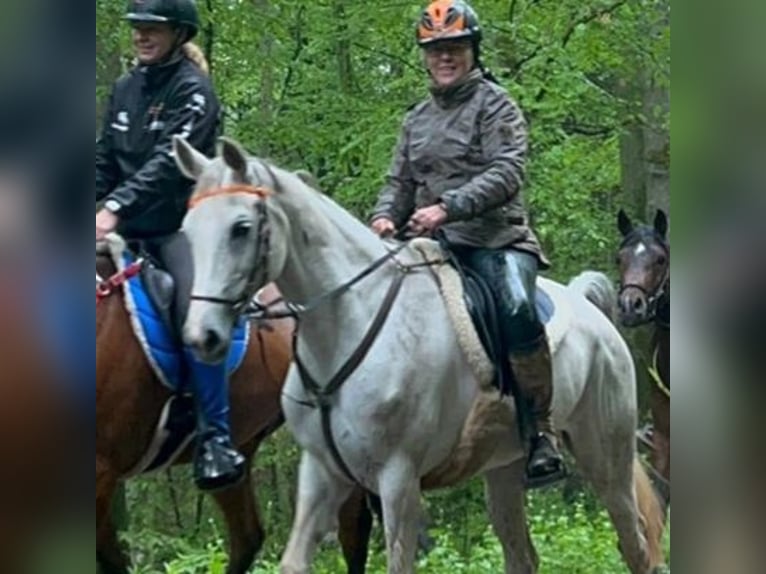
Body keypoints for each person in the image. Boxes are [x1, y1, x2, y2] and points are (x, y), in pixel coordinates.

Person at [370, 0, 565, 487]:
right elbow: (400, 181)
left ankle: (540, 430)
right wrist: (382, 217)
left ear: (472, 50)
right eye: (435, 50)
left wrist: (448, 207)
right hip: (433, 243)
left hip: (496, 239)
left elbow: (507, 171)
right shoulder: (415, 119)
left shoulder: (497, 105)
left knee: (517, 308)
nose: (444, 58)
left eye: (454, 48)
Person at [95, 0, 245, 491]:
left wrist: (114, 205)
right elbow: (103, 158)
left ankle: (215, 437)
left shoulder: (195, 92)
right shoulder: (124, 88)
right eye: (138, 27)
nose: (142, 35)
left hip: (179, 231)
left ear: (179, 32)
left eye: (153, 28)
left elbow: (166, 165)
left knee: (194, 317)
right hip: (120, 229)